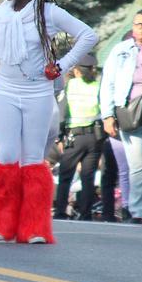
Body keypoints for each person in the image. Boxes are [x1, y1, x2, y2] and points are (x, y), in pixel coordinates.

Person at [0, 0, 98, 243]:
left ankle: (34, 227)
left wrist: (62, 66)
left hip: (38, 93)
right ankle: (1, 225)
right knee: (7, 154)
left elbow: (88, 36)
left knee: (32, 159)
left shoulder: (49, 13)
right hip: (6, 91)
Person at [98, 10, 142, 224]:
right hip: (129, 111)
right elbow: (108, 83)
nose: (139, 28)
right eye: (136, 24)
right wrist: (108, 115)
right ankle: (138, 211)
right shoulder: (121, 50)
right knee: (137, 165)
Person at [54, 54, 104, 221]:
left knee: (66, 175)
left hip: (73, 138)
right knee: (87, 177)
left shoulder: (70, 86)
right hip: (94, 137)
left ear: (76, 71)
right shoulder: (99, 86)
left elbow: (61, 113)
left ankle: (61, 212)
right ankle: (85, 214)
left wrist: (59, 137)